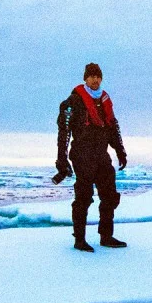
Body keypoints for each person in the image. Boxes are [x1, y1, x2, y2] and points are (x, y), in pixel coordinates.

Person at [55, 63, 128, 252]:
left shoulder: (104, 101)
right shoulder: (73, 101)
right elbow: (64, 132)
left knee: (110, 196)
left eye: (98, 76)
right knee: (83, 198)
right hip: (82, 155)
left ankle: (106, 236)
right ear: (85, 79)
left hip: (101, 156)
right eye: (91, 76)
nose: (95, 80)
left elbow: (112, 128)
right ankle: (79, 240)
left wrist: (120, 151)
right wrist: (61, 159)